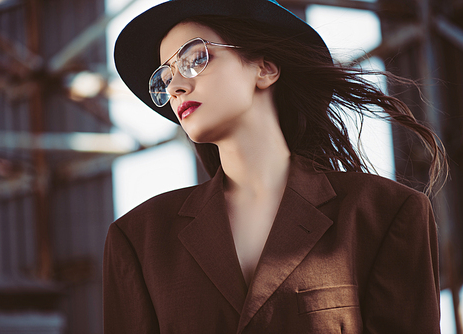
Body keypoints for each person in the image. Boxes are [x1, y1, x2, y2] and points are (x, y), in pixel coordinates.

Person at [104, 0, 446, 333]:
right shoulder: (139, 239)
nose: (176, 87)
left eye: (195, 59)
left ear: (265, 68)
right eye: (164, 79)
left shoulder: (384, 214)